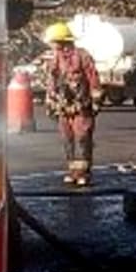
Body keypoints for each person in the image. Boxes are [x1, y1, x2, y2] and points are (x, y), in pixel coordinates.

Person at [43, 21, 102, 186]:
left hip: (82, 106)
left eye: (53, 42)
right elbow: (51, 81)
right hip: (63, 106)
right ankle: (72, 172)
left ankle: (84, 173)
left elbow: (93, 78)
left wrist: (96, 101)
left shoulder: (82, 56)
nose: (51, 45)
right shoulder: (54, 58)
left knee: (83, 138)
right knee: (67, 139)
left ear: (61, 41)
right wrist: (50, 102)